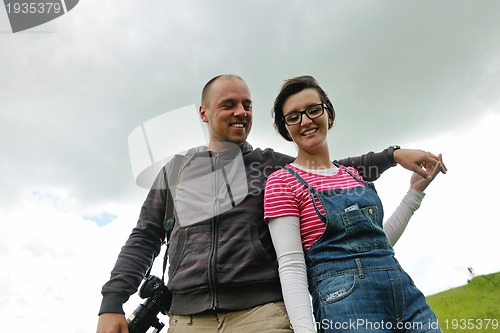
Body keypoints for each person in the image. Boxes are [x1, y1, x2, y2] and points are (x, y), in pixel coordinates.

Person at [96, 74, 446, 333]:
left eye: (247, 105)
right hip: (187, 320)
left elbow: (334, 170)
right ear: (204, 113)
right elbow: (144, 237)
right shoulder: (175, 171)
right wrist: (112, 302)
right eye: (229, 104)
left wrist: (393, 155)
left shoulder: (273, 166)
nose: (241, 112)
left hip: (263, 314)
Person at [264, 75, 443, 332]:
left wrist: (414, 194)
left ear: (329, 114)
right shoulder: (282, 182)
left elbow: (379, 243)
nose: (305, 121)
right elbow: (291, 266)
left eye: (313, 110)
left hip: (406, 294)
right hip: (346, 305)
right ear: (285, 128)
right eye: (293, 117)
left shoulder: (353, 175)